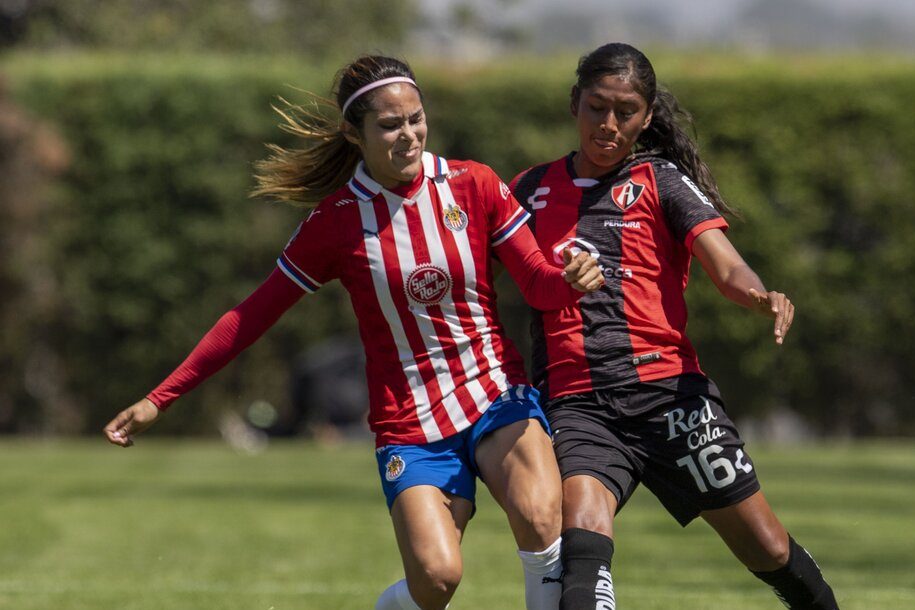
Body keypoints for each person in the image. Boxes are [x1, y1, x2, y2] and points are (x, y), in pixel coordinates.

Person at [103, 54, 604, 610]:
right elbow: (250, 317)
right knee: (436, 580)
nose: (408, 135)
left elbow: (538, 283)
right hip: (410, 421)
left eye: (416, 119)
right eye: (389, 125)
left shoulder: (474, 184)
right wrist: (159, 398)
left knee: (540, 519)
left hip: (494, 392)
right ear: (354, 133)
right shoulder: (336, 220)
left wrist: (569, 280)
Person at [510, 43, 839, 609]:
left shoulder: (660, 180)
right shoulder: (529, 189)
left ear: (646, 117)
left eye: (626, 112)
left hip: (671, 399)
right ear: (574, 103)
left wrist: (759, 296)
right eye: (597, 107)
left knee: (768, 548)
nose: (609, 124)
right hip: (579, 404)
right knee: (583, 542)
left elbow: (727, 266)